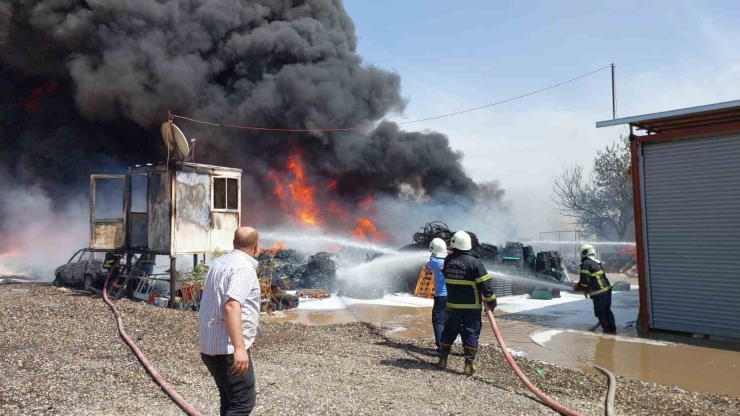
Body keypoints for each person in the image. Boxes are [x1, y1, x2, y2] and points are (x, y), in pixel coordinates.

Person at [199, 227, 262, 415]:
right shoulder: (243, 268)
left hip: (210, 345)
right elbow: (231, 306)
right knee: (242, 403)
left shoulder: (220, 262)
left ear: (234, 242)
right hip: (227, 349)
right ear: (256, 245)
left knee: (229, 398)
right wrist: (240, 349)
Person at [438, 231, 497, 376]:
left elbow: (446, 275)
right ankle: (468, 365)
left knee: (449, 331)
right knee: (471, 332)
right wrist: (492, 301)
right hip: (471, 306)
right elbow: (485, 285)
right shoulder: (474, 262)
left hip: (452, 305)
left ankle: (442, 359)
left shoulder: (448, 260)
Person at [574, 243, 616, 334]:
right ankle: (612, 330)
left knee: (600, 312)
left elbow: (585, 280)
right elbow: (591, 277)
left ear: (585, 252)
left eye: (581, 253)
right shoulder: (594, 262)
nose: (580, 255)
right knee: (606, 311)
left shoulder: (586, 263)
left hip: (599, 292)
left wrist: (583, 288)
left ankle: (608, 332)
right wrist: (579, 285)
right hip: (606, 290)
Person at [426, 238, 448, 354]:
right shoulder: (450, 259)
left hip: (440, 295)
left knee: (438, 321)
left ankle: (441, 349)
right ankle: (448, 345)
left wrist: (432, 257)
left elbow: (427, 267)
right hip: (453, 295)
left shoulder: (434, 261)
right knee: (449, 321)